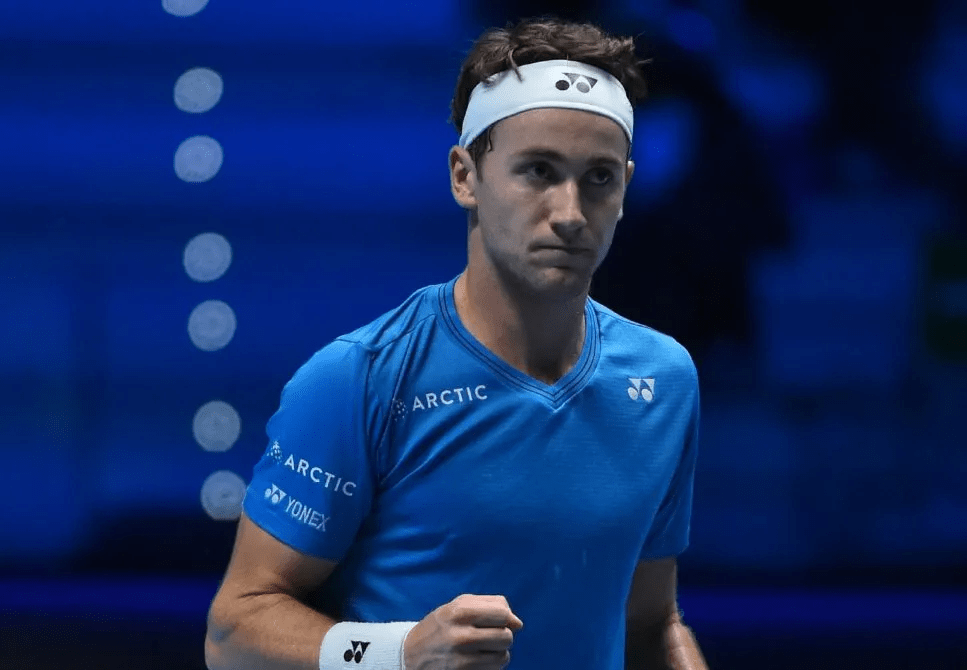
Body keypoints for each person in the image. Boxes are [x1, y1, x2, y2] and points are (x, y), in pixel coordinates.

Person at [205, 16, 707, 670]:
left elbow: (651, 623)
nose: (569, 213)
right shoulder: (358, 378)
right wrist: (400, 652)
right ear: (465, 176)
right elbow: (234, 630)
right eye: (538, 170)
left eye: (599, 178)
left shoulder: (664, 379)